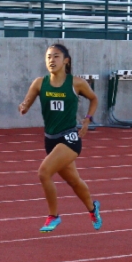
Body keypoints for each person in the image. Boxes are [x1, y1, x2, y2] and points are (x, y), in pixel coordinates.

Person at [19, 43, 102, 232]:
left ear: (66, 61)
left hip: (70, 138)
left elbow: (94, 98)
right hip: (50, 139)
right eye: (48, 57)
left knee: (43, 172)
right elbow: (26, 102)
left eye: (56, 56)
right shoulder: (40, 83)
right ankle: (92, 208)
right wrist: (23, 107)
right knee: (74, 181)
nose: (51, 60)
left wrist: (88, 120)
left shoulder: (76, 83)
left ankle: (53, 216)